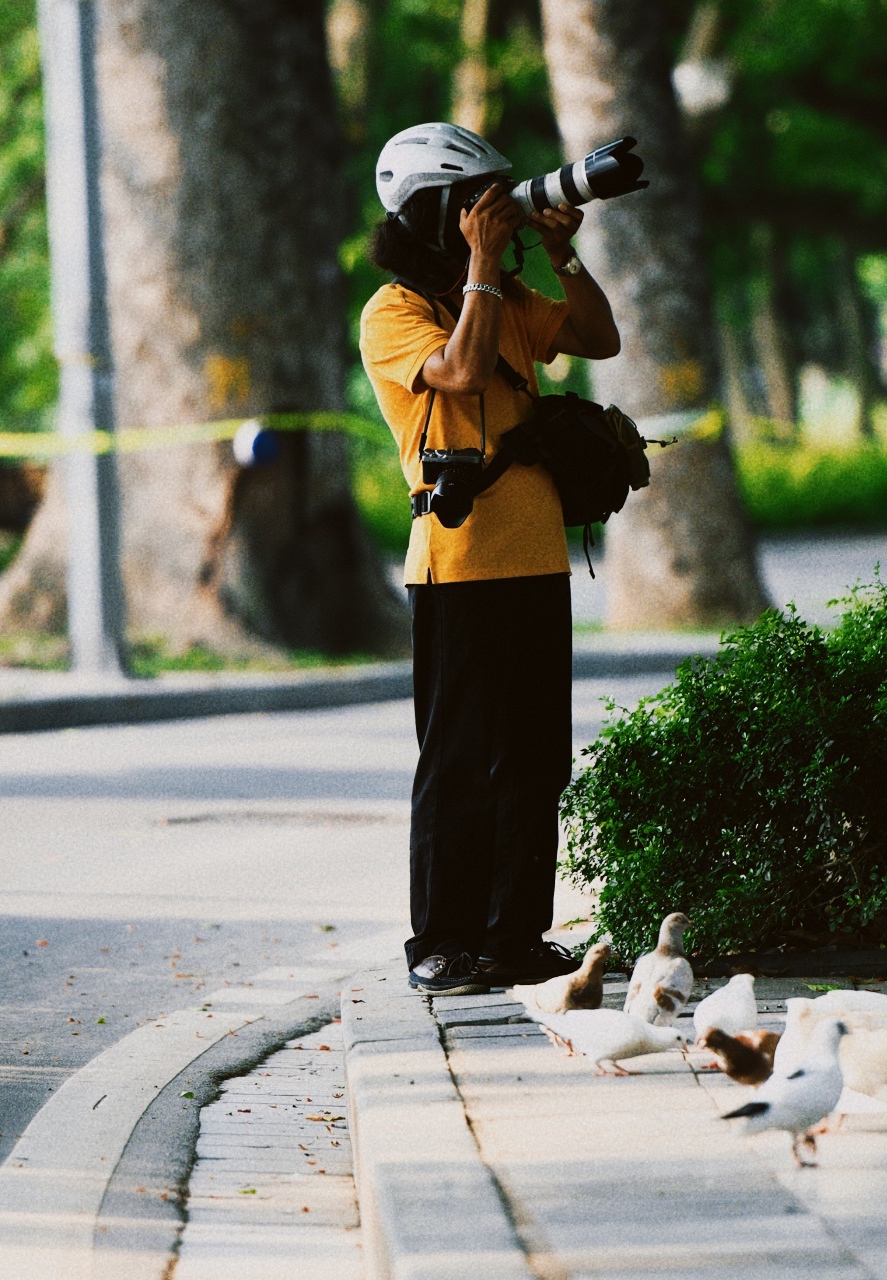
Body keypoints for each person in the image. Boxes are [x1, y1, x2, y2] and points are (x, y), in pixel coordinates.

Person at [360, 123, 621, 995]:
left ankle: (514, 938)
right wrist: (481, 268)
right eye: (473, 206)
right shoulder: (394, 313)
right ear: (434, 216)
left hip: (538, 559)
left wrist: (560, 256)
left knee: (537, 758)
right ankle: (441, 942)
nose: (492, 218)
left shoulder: (506, 300)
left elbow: (597, 338)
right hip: (459, 565)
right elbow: (463, 374)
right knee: (460, 759)